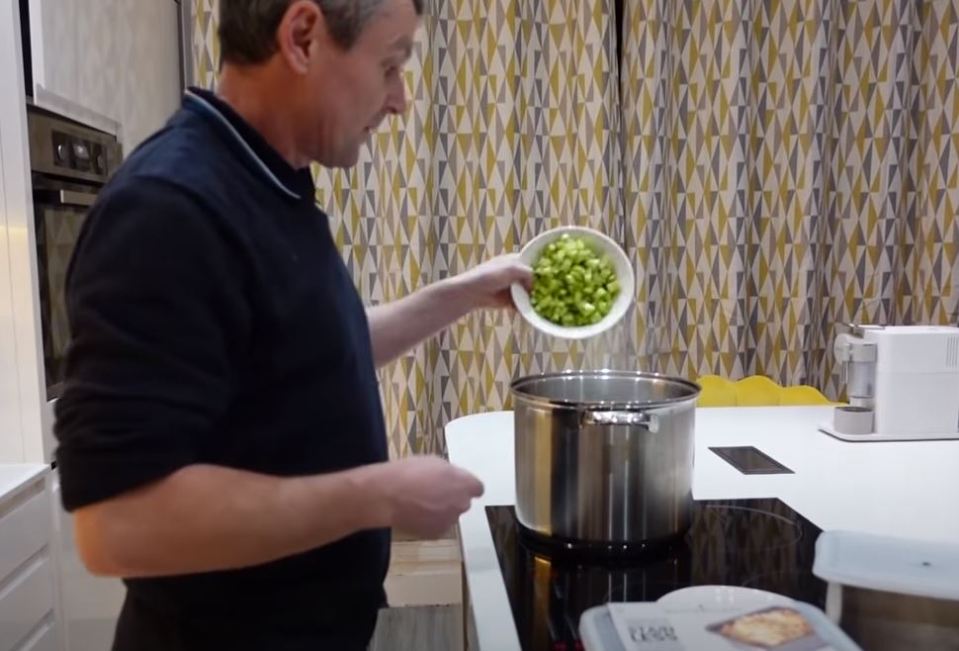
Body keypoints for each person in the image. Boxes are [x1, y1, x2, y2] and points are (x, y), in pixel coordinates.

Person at [53, 0, 532, 649]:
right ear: (302, 36)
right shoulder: (169, 208)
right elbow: (118, 525)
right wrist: (378, 494)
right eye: (389, 65)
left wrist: (459, 294)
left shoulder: (268, 179)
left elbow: (300, 354)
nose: (401, 101)